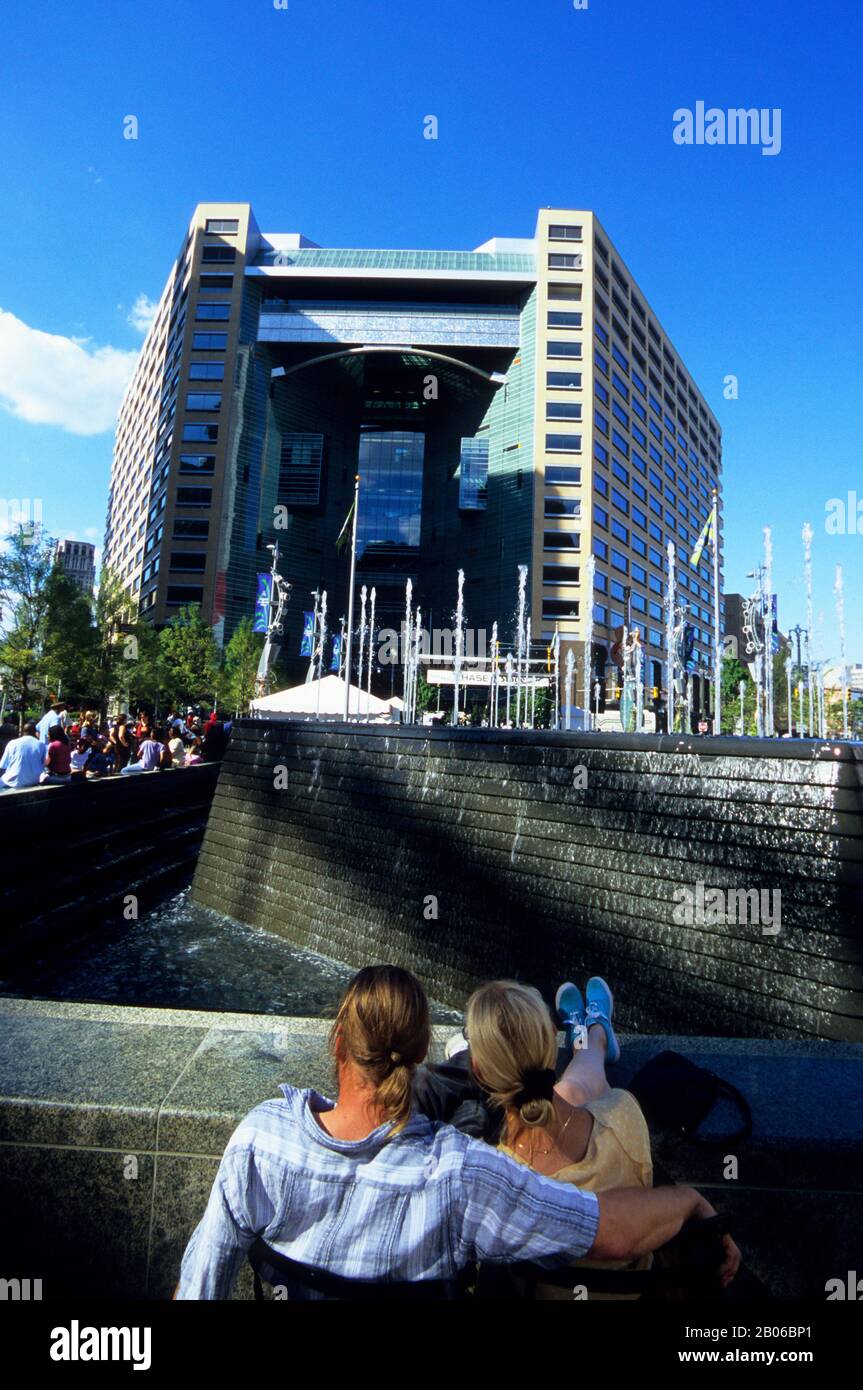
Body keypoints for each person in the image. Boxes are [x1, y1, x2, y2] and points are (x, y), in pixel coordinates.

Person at [176, 965, 740, 1299]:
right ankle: (591, 1037)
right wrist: (689, 1202)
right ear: (422, 1055)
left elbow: (197, 1288)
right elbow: (609, 1233)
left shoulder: (260, 1141)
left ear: (337, 1043)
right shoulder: (461, 1173)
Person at [464, 977, 653, 1298]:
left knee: (574, 1089)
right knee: (578, 1089)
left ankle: (589, 1037)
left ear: (478, 1070)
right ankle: (594, 1036)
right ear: (552, 1043)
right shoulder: (625, 1113)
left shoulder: (490, 1180)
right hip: (630, 1293)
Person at [0, 722, 46, 791]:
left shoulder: (12, 743)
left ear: (22, 732)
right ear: (35, 732)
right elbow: (43, 764)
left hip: (13, 782)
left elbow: (2, 766)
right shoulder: (41, 744)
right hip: (34, 781)